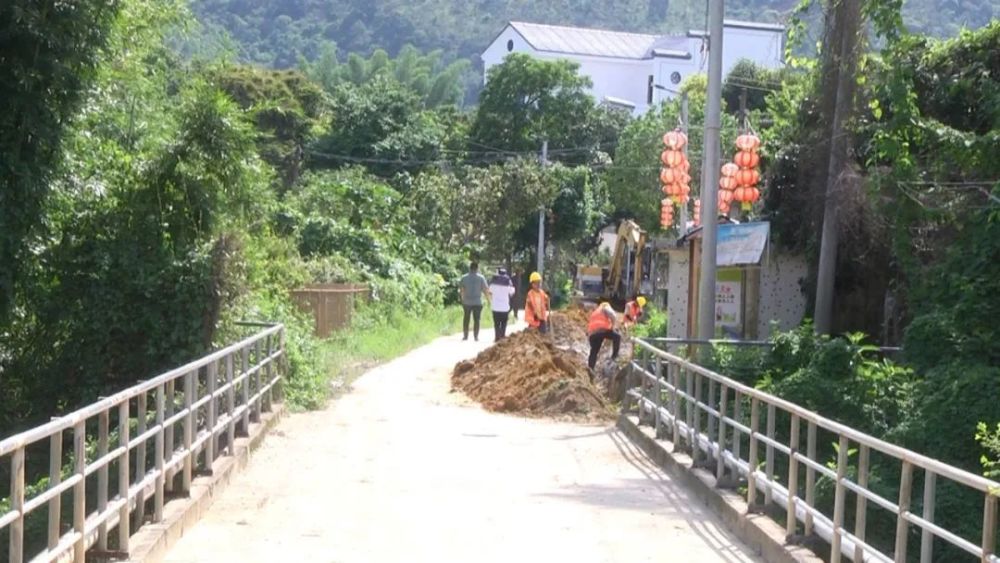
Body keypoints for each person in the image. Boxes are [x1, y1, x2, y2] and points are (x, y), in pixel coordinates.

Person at [459, 262, 490, 341]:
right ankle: (476, 337)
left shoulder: (464, 277)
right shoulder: (481, 278)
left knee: (466, 319)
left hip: (467, 301)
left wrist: (462, 299)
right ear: (477, 268)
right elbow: (485, 290)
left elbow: (462, 290)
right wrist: (488, 300)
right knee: (477, 320)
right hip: (477, 301)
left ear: (470, 268)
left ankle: (465, 336)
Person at [587, 302, 621, 371]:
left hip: (592, 335)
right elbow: (612, 315)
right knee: (617, 337)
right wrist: (613, 327)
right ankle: (614, 357)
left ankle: (590, 368)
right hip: (602, 330)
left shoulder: (595, 313)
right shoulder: (605, 307)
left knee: (594, 351)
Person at [489, 268, 516, 340]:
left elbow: (490, 292)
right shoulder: (508, 283)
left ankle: (497, 337)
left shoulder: (493, 284)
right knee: (504, 324)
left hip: (495, 307)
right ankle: (502, 337)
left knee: (496, 324)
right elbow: (513, 292)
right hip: (504, 308)